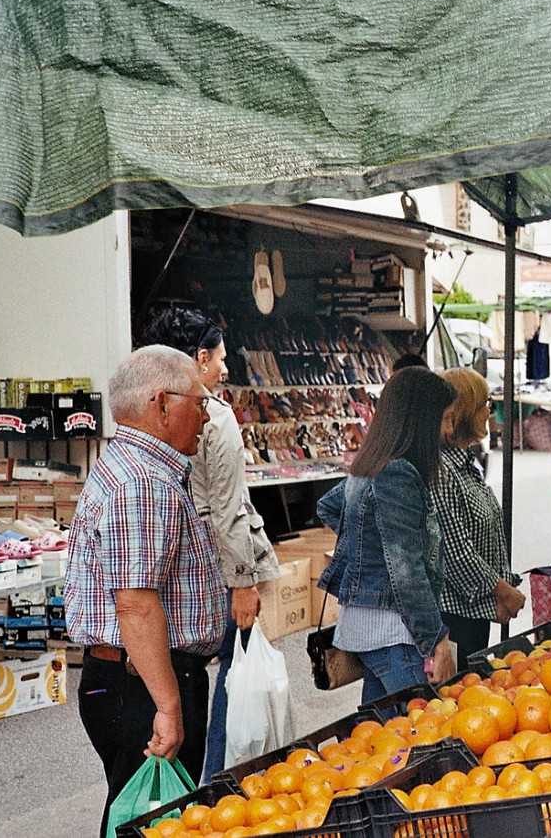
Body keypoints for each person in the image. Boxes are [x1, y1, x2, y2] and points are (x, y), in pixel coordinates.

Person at [65, 346, 225, 836]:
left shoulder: (137, 467)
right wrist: (169, 706)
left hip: (137, 679)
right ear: (161, 404)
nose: (206, 416)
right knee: (153, 823)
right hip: (141, 683)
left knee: (141, 814)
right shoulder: (143, 483)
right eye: (199, 402)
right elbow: (135, 603)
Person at [140, 308, 282, 782]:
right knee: (227, 688)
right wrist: (243, 583)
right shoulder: (214, 418)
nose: (225, 369)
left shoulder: (145, 410)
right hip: (216, 572)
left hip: (170, 574)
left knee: (182, 679)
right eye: (220, 358)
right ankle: (218, 784)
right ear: (200, 358)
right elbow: (228, 511)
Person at [316, 366, 458, 703]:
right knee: (417, 739)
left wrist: (368, 550)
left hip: (369, 630)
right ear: (422, 420)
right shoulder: (397, 474)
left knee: (380, 740)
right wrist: (437, 640)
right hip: (393, 633)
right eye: (445, 419)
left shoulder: (373, 464)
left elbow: (329, 506)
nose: (449, 430)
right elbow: (407, 573)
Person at [432, 367, 526, 669]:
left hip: (473, 613)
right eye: (486, 403)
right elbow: (457, 554)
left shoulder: (465, 463)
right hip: (455, 619)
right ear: (466, 409)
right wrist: (503, 592)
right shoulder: (443, 472)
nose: (490, 411)